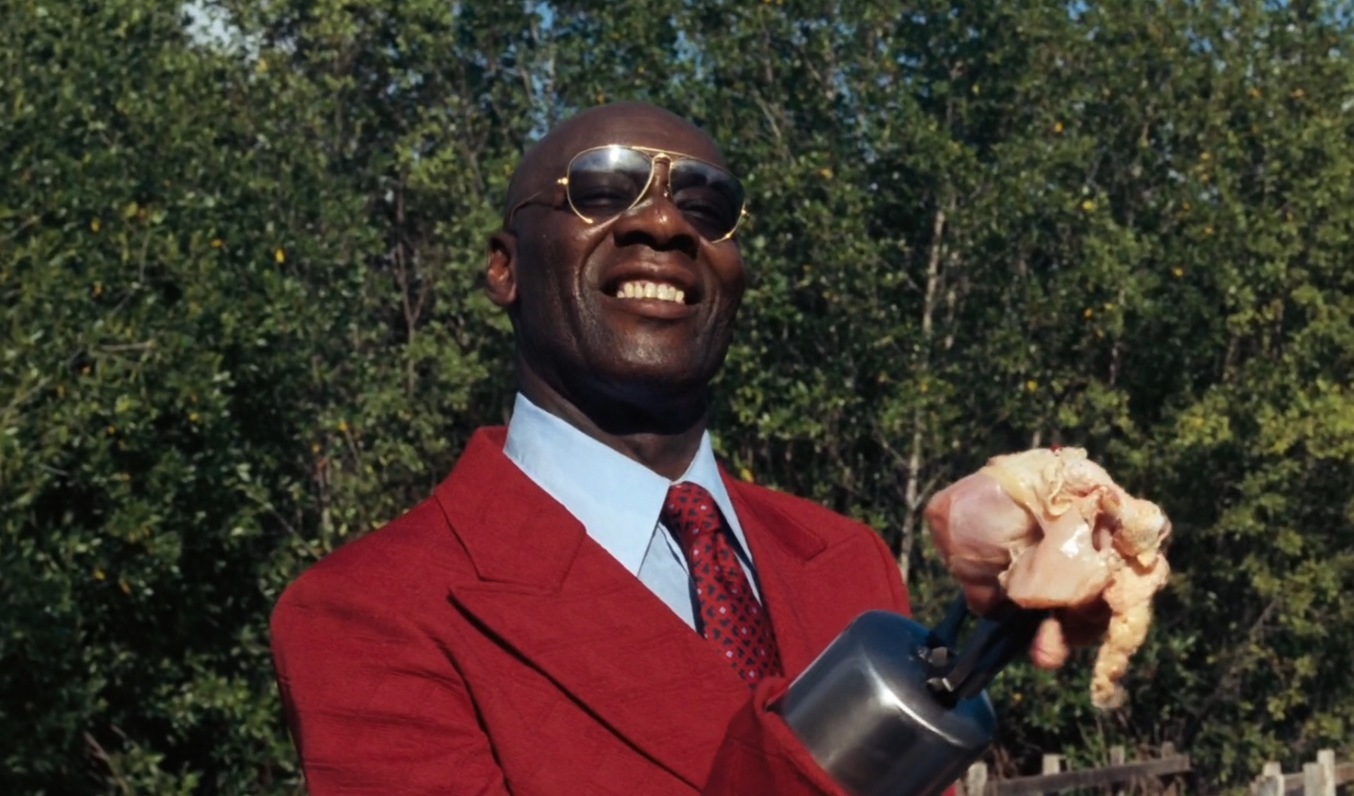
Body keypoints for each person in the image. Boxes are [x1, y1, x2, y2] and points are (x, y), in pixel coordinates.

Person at [272, 102, 1088, 794]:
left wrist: (998, 619)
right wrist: (855, 729)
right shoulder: (371, 612)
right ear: (504, 269)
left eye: (706, 206)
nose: (664, 223)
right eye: (600, 189)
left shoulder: (846, 562)